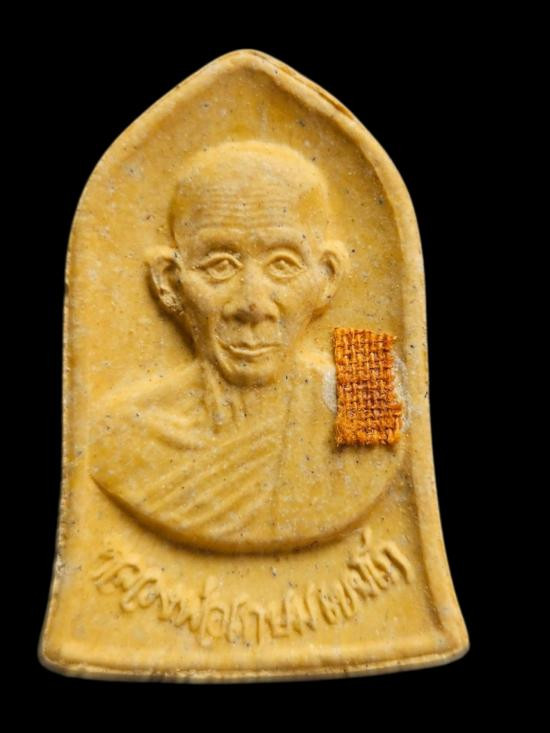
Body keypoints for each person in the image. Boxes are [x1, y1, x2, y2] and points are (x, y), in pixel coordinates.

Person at [89, 140, 396, 553]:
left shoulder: (367, 396)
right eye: (220, 264)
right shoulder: (121, 436)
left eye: (282, 264)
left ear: (326, 277)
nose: (253, 305)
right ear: (169, 281)